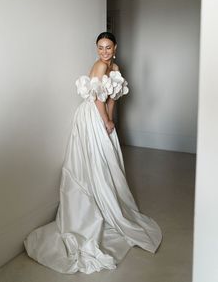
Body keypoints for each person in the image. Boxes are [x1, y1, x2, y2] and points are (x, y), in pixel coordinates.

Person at [24, 32, 162, 274]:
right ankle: (89, 208)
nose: (104, 52)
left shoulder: (115, 66)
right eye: (100, 48)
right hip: (91, 117)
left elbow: (112, 98)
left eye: (108, 47)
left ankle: (108, 200)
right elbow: (98, 100)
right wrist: (105, 121)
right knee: (92, 161)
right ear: (96, 49)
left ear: (115, 47)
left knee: (108, 160)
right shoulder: (99, 66)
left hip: (103, 116)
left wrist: (111, 119)